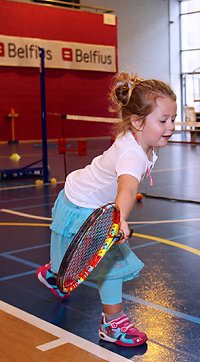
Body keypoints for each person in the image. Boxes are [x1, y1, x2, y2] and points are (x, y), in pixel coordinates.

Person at [36, 72, 177, 347]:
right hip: (81, 205)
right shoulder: (132, 155)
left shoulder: (138, 139)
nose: (170, 126)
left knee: (84, 256)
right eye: (163, 121)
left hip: (84, 200)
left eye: (172, 118)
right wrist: (119, 219)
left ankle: (54, 274)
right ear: (137, 122)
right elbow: (126, 188)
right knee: (113, 265)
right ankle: (112, 325)